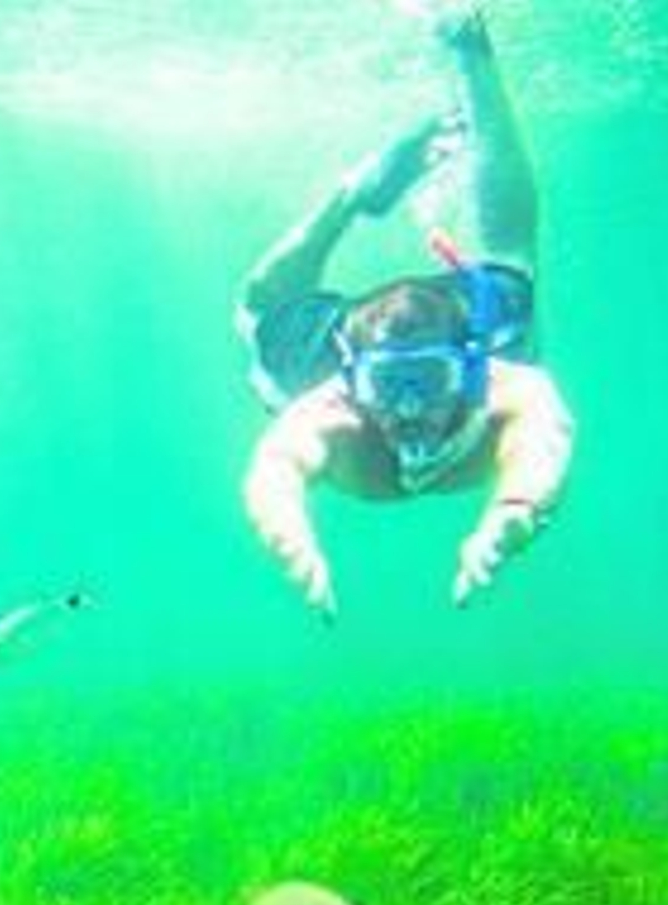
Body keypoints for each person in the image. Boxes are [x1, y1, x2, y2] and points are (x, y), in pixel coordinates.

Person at [235, 6, 574, 619]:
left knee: (509, 263)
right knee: (261, 308)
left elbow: (543, 438)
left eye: (429, 379)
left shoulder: (506, 386)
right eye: (388, 385)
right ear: (354, 380)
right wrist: (289, 539)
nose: (410, 407)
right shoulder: (332, 410)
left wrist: (513, 515)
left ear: (472, 368)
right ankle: (350, 195)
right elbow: (275, 467)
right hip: (324, 341)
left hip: (460, 323)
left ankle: (469, 47)